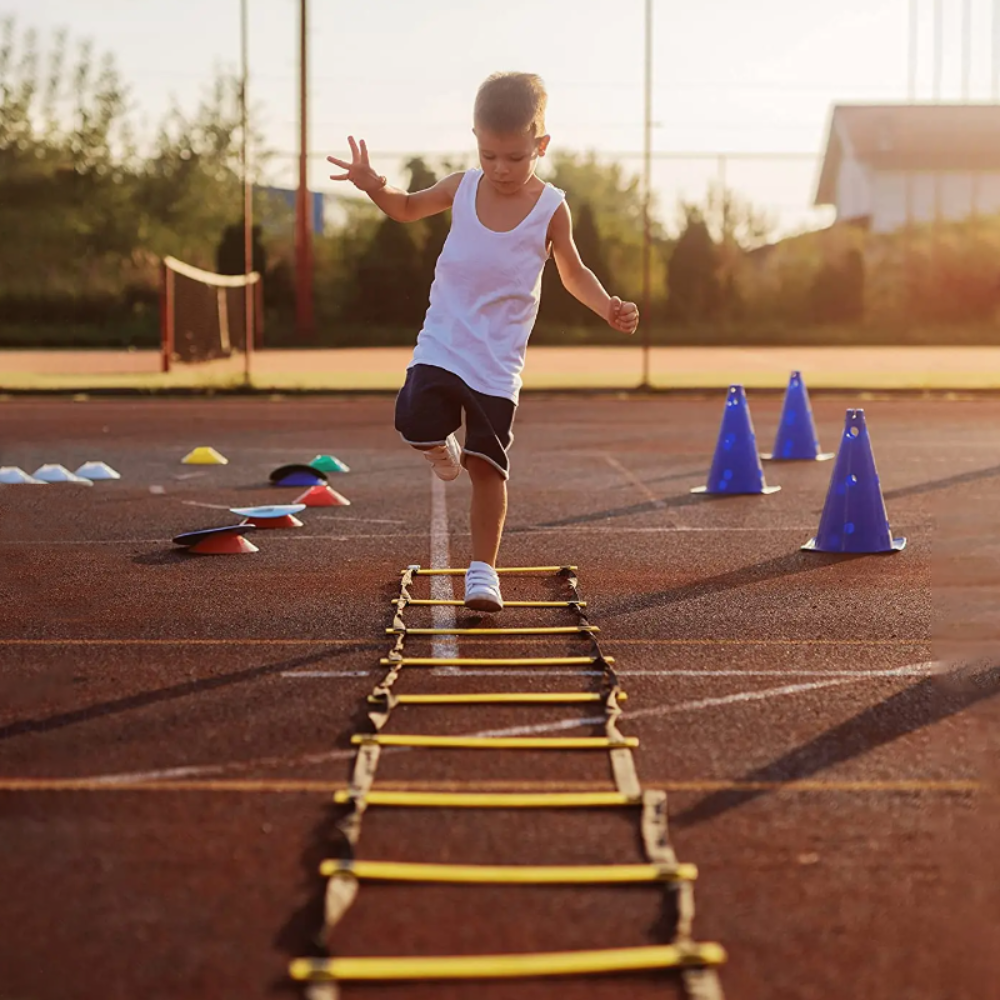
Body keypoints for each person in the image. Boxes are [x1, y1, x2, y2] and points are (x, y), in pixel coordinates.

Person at [328, 71, 638, 613]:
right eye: (489, 154)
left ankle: (482, 572)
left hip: (497, 364)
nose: (500, 168)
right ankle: (439, 450)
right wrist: (373, 184)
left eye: (515, 157)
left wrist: (607, 305)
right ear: (475, 138)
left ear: (540, 145)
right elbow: (405, 208)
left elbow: (572, 272)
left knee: (487, 469)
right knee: (412, 420)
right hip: (444, 342)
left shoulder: (551, 208)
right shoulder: (461, 186)